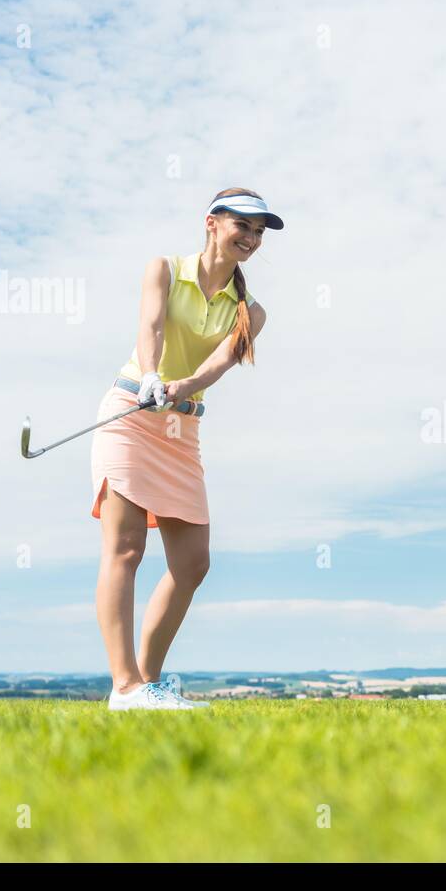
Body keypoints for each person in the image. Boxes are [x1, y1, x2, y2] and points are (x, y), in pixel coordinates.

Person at [90, 187, 282, 710]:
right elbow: (150, 325)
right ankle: (124, 685)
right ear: (212, 223)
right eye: (243, 225)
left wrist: (185, 386)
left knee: (193, 562)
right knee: (126, 549)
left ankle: (146, 685)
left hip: (181, 431)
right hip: (129, 416)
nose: (251, 237)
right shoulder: (164, 269)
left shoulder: (251, 311)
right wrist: (153, 376)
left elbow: (216, 366)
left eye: (259, 231)